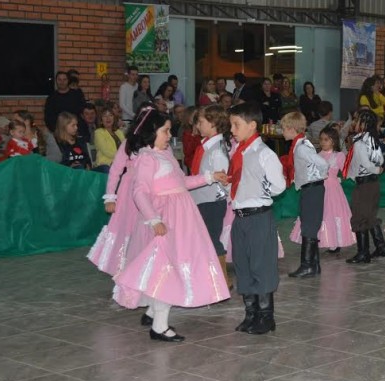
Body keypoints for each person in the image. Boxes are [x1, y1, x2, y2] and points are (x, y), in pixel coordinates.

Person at [111, 107, 230, 342]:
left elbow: (181, 182)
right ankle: (159, 325)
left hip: (182, 218)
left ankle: (155, 315)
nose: (169, 136)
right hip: (166, 219)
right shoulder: (146, 158)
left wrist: (209, 177)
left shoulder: (165, 155)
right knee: (165, 269)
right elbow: (139, 191)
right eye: (165, 131)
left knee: (169, 268)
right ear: (151, 131)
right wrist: (154, 219)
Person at [227, 102, 286, 335]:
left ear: (252, 125)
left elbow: (279, 185)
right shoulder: (239, 151)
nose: (232, 129)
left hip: (258, 217)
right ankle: (250, 314)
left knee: (262, 266)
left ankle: (265, 316)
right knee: (243, 266)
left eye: (236, 124)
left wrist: (260, 193)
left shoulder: (265, 154)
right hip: (239, 217)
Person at [277, 112, 328, 278]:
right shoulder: (299, 145)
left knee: (309, 226)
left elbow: (322, 163)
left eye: (283, 128)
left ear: (291, 129)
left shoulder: (301, 147)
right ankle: (314, 264)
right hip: (310, 188)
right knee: (309, 223)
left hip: (312, 188)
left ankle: (307, 265)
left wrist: (318, 176)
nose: (281, 131)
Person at [290, 126, 355, 254]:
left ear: (333, 141)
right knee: (319, 215)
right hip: (318, 189)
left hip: (333, 190)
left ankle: (334, 242)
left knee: (331, 214)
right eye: (321, 139)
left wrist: (343, 178)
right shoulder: (316, 155)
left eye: (326, 139)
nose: (323, 142)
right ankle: (319, 239)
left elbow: (347, 171)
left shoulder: (339, 155)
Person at [189, 105, 234, 288]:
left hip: (212, 202)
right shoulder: (208, 146)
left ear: (214, 123)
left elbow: (223, 180)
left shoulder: (217, 150)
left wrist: (222, 198)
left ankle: (224, 281)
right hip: (202, 199)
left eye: (201, 122)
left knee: (212, 238)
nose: (198, 126)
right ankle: (210, 277)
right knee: (205, 238)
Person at [343, 110, 385, 264]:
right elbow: (379, 159)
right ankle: (381, 247)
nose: (354, 123)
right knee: (369, 216)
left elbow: (367, 164)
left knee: (360, 217)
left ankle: (363, 253)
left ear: (364, 124)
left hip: (365, 184)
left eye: (357, 120)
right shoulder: (373, 140)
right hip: (373, 183)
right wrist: (378, 169)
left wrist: (375, 169)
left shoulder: (360, 142)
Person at [87, 140, 136, 277]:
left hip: (153, 190)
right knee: (128, 229)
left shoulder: (161, 143)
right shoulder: (129, 143)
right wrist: (110, 196)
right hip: (130, 191)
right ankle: (123, 268)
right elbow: (115, 170)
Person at [93, 107, 126, 172]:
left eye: (110, 115)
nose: (108, 118)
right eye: (105, 116)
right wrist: (121, 158)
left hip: (120, 162)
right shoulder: (98, 132)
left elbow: (126, 148)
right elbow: (106, 151)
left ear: (114, 118)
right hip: (105, 164)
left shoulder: (119, 132)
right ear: (101, 120)